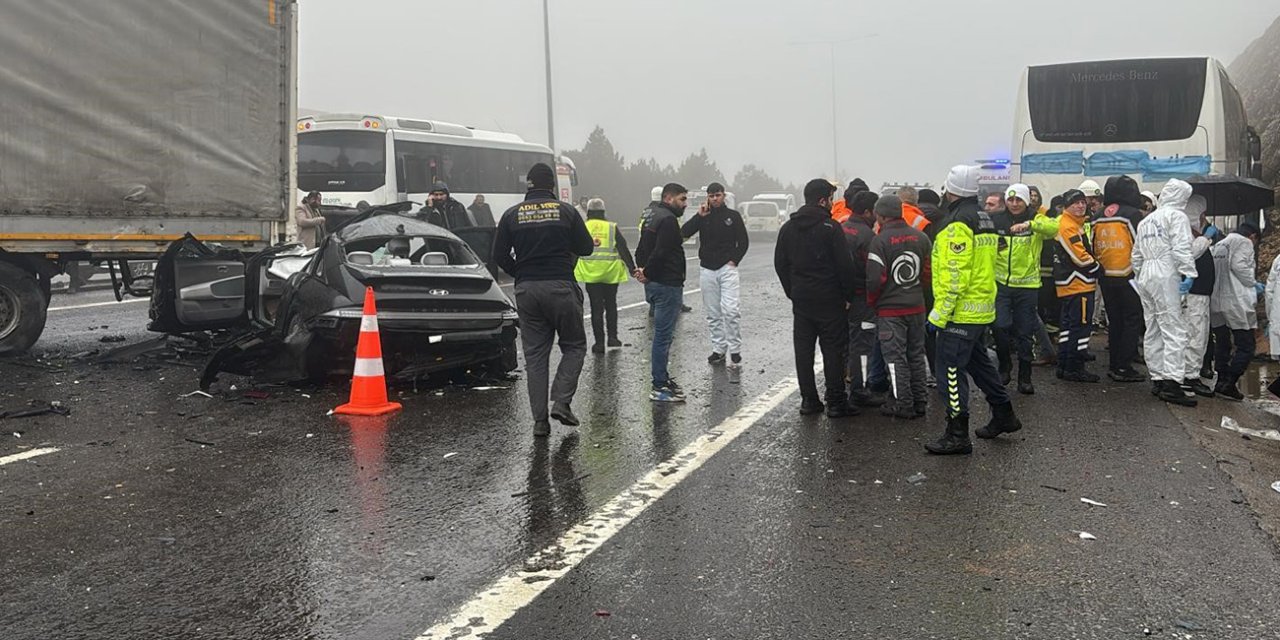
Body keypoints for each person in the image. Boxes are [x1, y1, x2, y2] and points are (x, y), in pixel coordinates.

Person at [492, 163, 595, 438]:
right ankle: (561, 402)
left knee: (536, 355)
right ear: (551, 186)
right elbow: (585, 248)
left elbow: (499, 255)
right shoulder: (566, 211)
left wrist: (522, 272)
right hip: (560, 285)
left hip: (527, 289)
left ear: (528, 184)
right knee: (574, 345)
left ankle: (540, 422)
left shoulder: (511, 214)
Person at [925, 165, 1021, 455]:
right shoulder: (984, 218)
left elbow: (955, 276)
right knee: (979, 365)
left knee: (950, 372)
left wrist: (939, 315)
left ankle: (957, 433)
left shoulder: (956, 223)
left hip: (960, 313)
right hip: (981, 309)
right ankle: (1004, 413)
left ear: (950, 189)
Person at [775, 179, 860, 418]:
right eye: (831, 199)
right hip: (830, 299)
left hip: (802, 300)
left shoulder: (788, 229)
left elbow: (780, 263)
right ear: (822, 200)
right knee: (833, 351)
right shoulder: (831, 228)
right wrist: (848, 295)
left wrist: (792, 291)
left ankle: (809, 401)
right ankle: (836, 402)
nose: (833, 204)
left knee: (803, 351)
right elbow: (845, 266)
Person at [1131, 179, 1198, 407]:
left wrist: (1142, 276)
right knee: (1174, 328)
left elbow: (1136, 256)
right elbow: (1181, 247)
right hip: (1166, 272)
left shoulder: (1146, 220)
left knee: (1153, 328)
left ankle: (1158, 378)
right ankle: (1172, 382)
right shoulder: (1177, 217)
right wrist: (1188, 273)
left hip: (1147, 275)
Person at [865, 195, 932, 418]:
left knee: (894, 359)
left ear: (881, 216)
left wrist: (873, 302)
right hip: (916, 306)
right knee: (915, 354)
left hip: (890, 310)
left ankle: (903, 403)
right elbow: (928, 273)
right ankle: (920, 400)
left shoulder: (880, 241)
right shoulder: (921, 238)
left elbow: (875, 279)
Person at [991, 183, 1059, 394]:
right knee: (1000, 326)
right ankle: (1004, 366)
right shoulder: (997, 220)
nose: (1014, 204)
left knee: (1025, 333)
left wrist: (1030, 225)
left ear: (1026, 201)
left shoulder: (1037, 219)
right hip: (1001, 285)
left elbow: (1054, 228)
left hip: (1027, 287)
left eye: (1018, 200)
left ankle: (1025, 377)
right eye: (1010, 200)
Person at [682, 182, 749, 366]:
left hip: (727, 268)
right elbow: (684, 233)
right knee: (713, 313)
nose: (714, 199)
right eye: (711, 196)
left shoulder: (733, 216)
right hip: (707, 269)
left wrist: (734, 260)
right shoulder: (703, 216)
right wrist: (699, 216)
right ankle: (719, 349)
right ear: (708, 198)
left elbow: (743, 241)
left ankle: (735, 349)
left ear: (723, 195)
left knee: (730, 310)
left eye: (717, 195)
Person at [636, 183, 691, 402]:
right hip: (667, 283)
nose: (685, 204)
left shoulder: (652, 215)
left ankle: (663, 378)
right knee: (663, 336)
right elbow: (662, 252)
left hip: (656, 283)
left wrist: (641, 270)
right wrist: (647, 272)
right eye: (682, 199)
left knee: (663, 335)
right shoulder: (668, 220)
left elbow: (642, 248)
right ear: (669, 198)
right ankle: (659, 385)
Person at [1092, 176, 1147, 382]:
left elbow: (1093, 242)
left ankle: (1115, 364)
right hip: (1129, 275)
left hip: (1105, 275)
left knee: (1114, 322)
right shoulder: (1133, 215)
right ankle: (1123, 366)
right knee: (1132, 320)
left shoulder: (1097, 215)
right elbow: (1140, 244)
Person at [574, 197, 637, 354]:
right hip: (610, 273)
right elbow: (623, 248)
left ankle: (599, 343)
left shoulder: (583, 227)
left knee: (596, 308)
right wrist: (632, 268)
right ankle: (613, 338)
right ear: (603, 212)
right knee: (611, 305)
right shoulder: (611, 227)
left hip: (591, 274)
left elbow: (573, 249)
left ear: (588, 212)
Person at [1209, 221, 1263, 400]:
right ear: (1253, 237)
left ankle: (1220, 381)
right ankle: (1230, 382)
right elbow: (1239, 265)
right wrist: (1253, 283)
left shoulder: (1220, 244)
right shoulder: (1244, 242)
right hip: (1236, 300)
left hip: (1217, 300)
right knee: (1247, 345)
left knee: (1223, 342)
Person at [1053, 189, 1102, 382]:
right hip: (1077, 284)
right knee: (1081, 327)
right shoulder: (1067, 226)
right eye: (1076, 203)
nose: (1081, 206)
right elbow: (1079, 257)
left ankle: (1064, 363)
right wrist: (1098, 267)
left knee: (1067, 326)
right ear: (1067, 206)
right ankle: (1074, 366)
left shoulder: (1073, 223)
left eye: (1083, 202)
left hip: (1072, 284)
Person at [841, 190, 885, 407]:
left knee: (845, 342)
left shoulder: (841, 228)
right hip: (862, 299)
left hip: (841, 298)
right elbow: (873, 273)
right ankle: (860, 390)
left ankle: (842, 388)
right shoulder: (868, 237)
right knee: (863, 344)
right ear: (868, 211)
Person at [1181, 195, 1216, 397]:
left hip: (1200, 293)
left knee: (1199, 335)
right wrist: (1205, 238)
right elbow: (1190, 254)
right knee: (1194, 335)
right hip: (1193, 294)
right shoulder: (1188, 235)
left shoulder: (1196, 234)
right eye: (1202, 214)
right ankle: (1189, 377)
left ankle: (1191, 374)